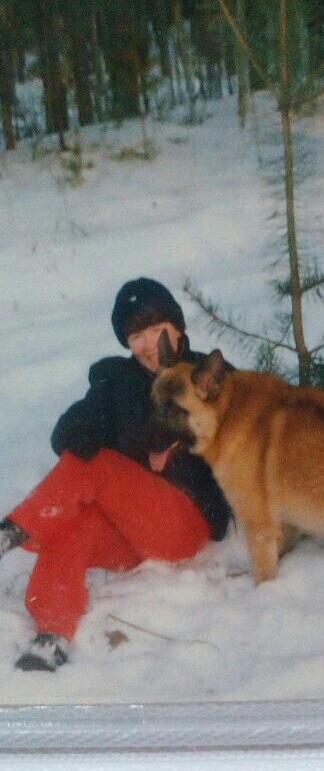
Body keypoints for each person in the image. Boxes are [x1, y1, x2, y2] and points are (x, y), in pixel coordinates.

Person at [0, 277, 232, 672]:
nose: (148, 344)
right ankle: (51, 635)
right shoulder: (117, 382)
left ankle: (12, 531)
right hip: (128, 531)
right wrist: (81, 430)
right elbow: (66, 433)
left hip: (184, 520)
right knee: (70, 525)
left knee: (100, 466)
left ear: (177, 328)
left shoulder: (208, 377)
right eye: (136, 336)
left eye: (156, 329)